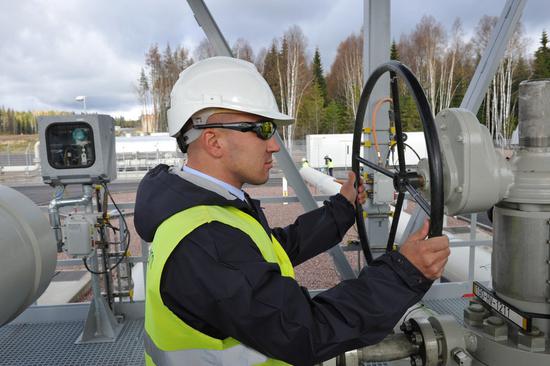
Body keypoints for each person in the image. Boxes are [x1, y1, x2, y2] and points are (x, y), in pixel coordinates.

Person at [134, 56, 450, 366]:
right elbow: (306, 332)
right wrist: (404, 273)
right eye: (262, 129)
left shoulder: (199, 210)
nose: (274, 145)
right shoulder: (206, 239)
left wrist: (342, 208)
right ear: (214, 141)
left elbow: (276, 248)